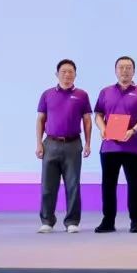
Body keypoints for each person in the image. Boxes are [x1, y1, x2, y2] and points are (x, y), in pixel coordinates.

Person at [94, 56, 137, 233]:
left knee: (134, 184)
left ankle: (136, 222)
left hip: (132, 146)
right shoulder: (105, 92)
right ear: (115, 70)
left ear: (134, 71)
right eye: (121, 67)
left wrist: (133, 130)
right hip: (109, 146)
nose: (125, 71)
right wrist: (103, 128)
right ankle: (108, 221)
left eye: (128, 67)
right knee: (108, 184)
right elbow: (98, 114)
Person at [35, 58, 92, 233]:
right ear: (57, 74)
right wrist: (39, 144)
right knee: (48, 186)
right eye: (64, 72)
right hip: (51, 144)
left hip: (73, 144)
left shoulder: (82, 95)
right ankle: (47, 221)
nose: (67, 75)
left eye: (70, 72)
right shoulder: (47, 94)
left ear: (75, 75)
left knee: (73, 185)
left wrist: (88, 143)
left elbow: (87, 121)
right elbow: (40, 120)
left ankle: (72, 221)